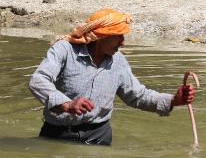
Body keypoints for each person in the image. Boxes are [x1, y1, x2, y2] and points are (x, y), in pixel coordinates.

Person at [28, 8, 195, 146]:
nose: (123, 42)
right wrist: (66, 104)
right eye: (119, 37)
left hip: (99, 136)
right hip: (56, 135)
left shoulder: (118, 61)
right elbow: (38, 80)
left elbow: (137, 95)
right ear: (101, 37)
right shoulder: (64, 50)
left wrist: (174, 100)